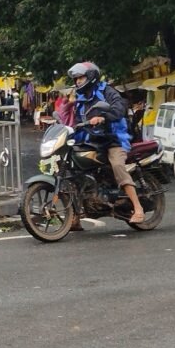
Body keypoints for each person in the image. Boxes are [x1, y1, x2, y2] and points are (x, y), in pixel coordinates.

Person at [67, 62, 145, 226]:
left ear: (91, 77)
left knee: (117, 165)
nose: (78, 81)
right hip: (92, 141)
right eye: (76, 79)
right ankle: (75, 217)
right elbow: (78, 122)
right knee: (75, 169)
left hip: (113, 140)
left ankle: (138, 208)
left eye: (81, 78)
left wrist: (103, 117)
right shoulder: (81, 99)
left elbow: (120, 108)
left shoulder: (107, 91)